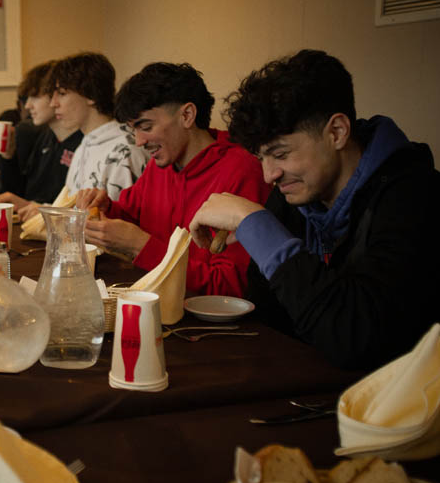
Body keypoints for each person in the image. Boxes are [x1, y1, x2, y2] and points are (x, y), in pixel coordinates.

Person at [189, 49, 440, 369]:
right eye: (261, 158)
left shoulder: (415, 197)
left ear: (337, 132)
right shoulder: (295, 193)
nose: (269, 175)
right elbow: (269, 319)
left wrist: (259, 229)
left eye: (280, 153)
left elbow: (357, 339)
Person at [76, 62, 270, 297]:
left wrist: (140, 246)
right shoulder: (162, 164)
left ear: (187, 115)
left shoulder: (242, 170)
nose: (138, 141)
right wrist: (106, 208)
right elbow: (132, 215)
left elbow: (230, 286)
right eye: (133, 130)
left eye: (145, 126)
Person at [46, 52, 148, 201]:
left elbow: (120, 221)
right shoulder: (85, 145)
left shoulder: (123, 151)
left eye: (62, 93)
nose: (53, 103)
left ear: (90, 95)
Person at [0, 61, 83, 221]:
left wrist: (28, 205)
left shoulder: (82, 143)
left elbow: (73, 210)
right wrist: (8, 155)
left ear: (57, 95)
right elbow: (17, 193)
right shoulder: (45, 136)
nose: (27, 105)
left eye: (35, 97)